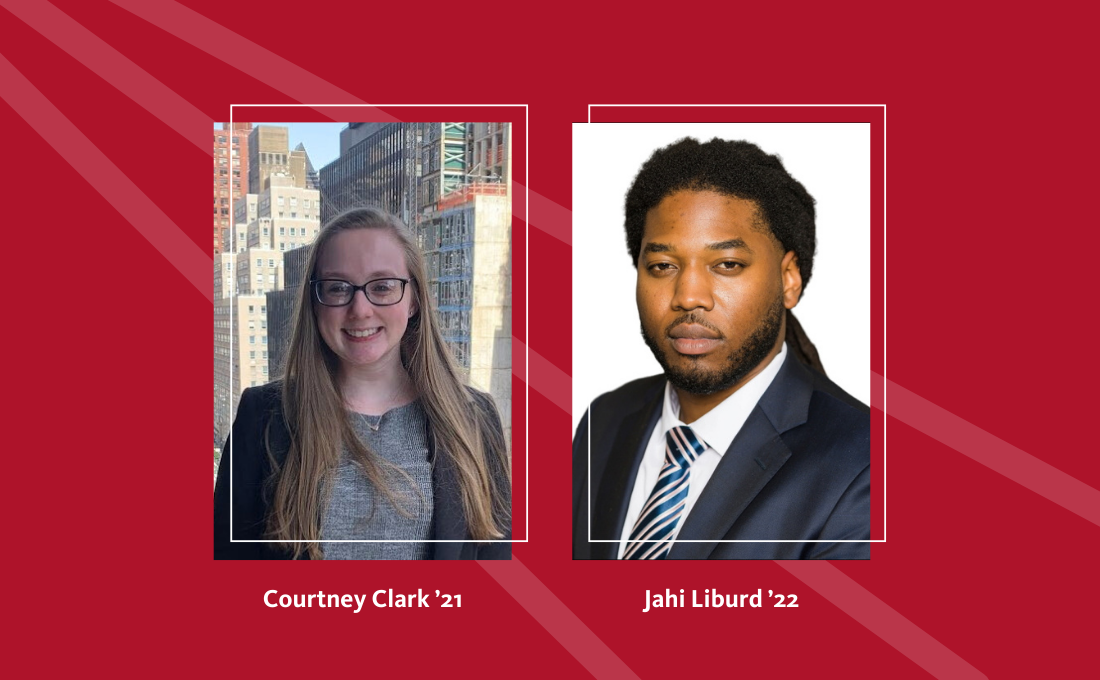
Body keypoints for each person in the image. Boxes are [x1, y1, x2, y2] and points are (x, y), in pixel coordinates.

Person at [572, 138, 870, 560]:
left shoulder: (863, 465)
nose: (689, 296)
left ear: (789, 279)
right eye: (662, 266)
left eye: (727, 265)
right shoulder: (604, 420)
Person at [215, 207, 510, 560]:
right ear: (315, 301)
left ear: (414, 299)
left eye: (383, 287)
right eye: (337, 288)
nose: (360, 309)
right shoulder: (262, 416)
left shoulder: (474, 418)